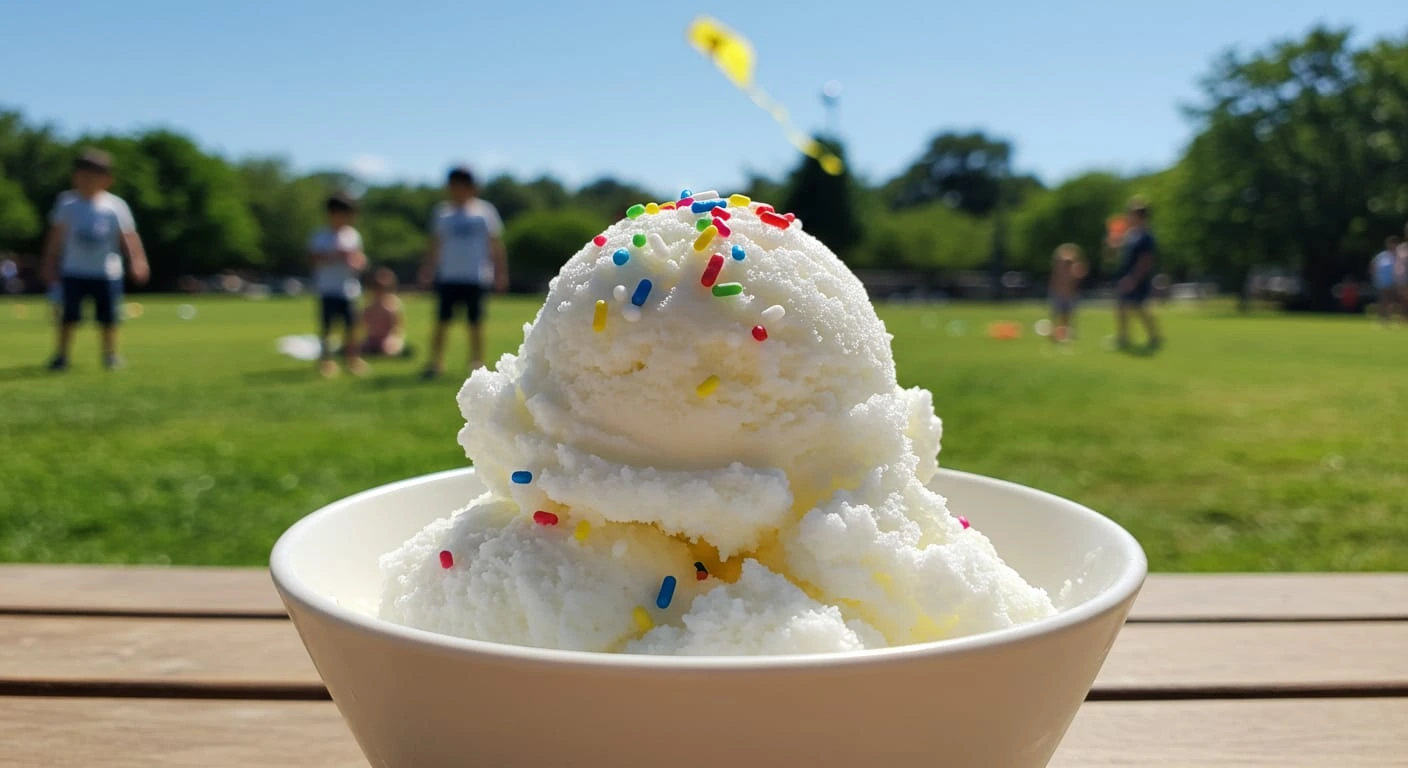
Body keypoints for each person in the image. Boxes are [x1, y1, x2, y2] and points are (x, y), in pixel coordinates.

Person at [41, 148, 149, 371]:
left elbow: (128, 237)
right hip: (74, 270)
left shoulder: (115, 206)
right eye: (83, 175)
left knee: (109, 318)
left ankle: (110, 355)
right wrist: (49, 264)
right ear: (75, 177)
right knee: (68, 317)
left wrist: (138, 261)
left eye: (94, 175)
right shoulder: (67, 203)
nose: (87, 180)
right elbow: (55, 238)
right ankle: (62, 355)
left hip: (107, 271)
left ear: (107, 179)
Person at [418, 166, 508, 379]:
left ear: (472, 187)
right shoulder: (443, 213)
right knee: (442, 321)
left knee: (475, 323)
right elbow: (435, 244)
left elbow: (495, 244)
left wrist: (500, 272)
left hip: (475, 276)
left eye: (463, 185)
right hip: (448, 276)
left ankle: (476, 363)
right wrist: (427, 269)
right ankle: (435, 362)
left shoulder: (485, 212)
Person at [309, 193, 368, 377]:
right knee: (327, 328)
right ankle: (326, 361)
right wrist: (334, 256)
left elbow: (361, 260)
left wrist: (355, 261)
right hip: (327, 289)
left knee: (351, 327)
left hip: (348, 289)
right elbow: (313, 260)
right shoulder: (320, 236)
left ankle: (352, 359)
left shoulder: (353, 235)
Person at [1114, 197, 1162, 351]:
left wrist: (1133, 279)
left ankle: (1154, 337)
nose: (1128, 216)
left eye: (1131, 213)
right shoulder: (1131, 235)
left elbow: (1146, 260)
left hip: (1137, 278)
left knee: (1140, 309)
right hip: (1128, 276)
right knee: (1123, 307)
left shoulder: (1146, 236)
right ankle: (1123, 338)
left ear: (1140, 215)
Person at [360, 267, 410, 357]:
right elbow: (364, 324)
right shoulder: (369, 305)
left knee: (388, 349)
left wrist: (391, 339)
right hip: (373, 338)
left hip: (388, 337)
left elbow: (397, 327)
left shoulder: (393, 304)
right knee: (361, 348)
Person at [1048, 243, 1087, 342]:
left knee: (1067, 316)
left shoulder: (1073, 270)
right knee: (1056, 315)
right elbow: (1055, 283)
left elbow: (1078, 278)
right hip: (1059, 295)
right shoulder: (1059, 270)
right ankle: (1056, 334)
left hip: (1069, 295)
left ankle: (1064, 334)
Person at [1371, 236, 1400, 324]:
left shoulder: (1399, 255)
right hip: (1383, 283)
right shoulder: (1382, 256)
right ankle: (1383, 319)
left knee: (1394, 302)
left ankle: (1393, 319)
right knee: (1384, 301)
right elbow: (1374, 267)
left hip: (1396, 283)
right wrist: (1376, 278)